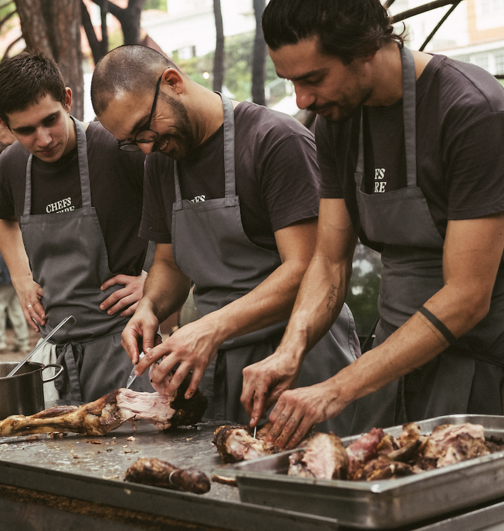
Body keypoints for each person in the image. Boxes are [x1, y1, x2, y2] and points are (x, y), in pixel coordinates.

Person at [240, 0, 504, 449]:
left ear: (364, 48)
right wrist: (290, 349)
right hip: (387, 370)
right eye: (291, 82)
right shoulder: (337, 121)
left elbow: (466, 296)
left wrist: (338, 387)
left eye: (313, 78)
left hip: (479, 370)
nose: (302, 99)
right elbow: (330, 260)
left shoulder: (471, 111)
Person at [91, 44, 359, 430]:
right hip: (217, 360)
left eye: (145, 129)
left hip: (300, 353)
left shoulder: (274, 140)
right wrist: (149, 307)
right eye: (132, 142)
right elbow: (169, 263)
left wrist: (210, 327)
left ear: (172, 82)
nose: (147, 147)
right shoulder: (161, 165)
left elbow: (307, 268)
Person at [0, 51, 152, 403]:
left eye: (50, 121)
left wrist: (154, 279)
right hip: (56, 355)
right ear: (4, 123)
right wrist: (20, 278)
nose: (43, 139)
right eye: (26, 130)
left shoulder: (116, 147)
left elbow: (175, 210)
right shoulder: (11, 166)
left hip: (125, 344)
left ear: (67, 99)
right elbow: (2, 217)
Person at [0, 246, 30, 353]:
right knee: (17, 310)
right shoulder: (16, 240)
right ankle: (22, 341)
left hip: (2, 280)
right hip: (16, 280)